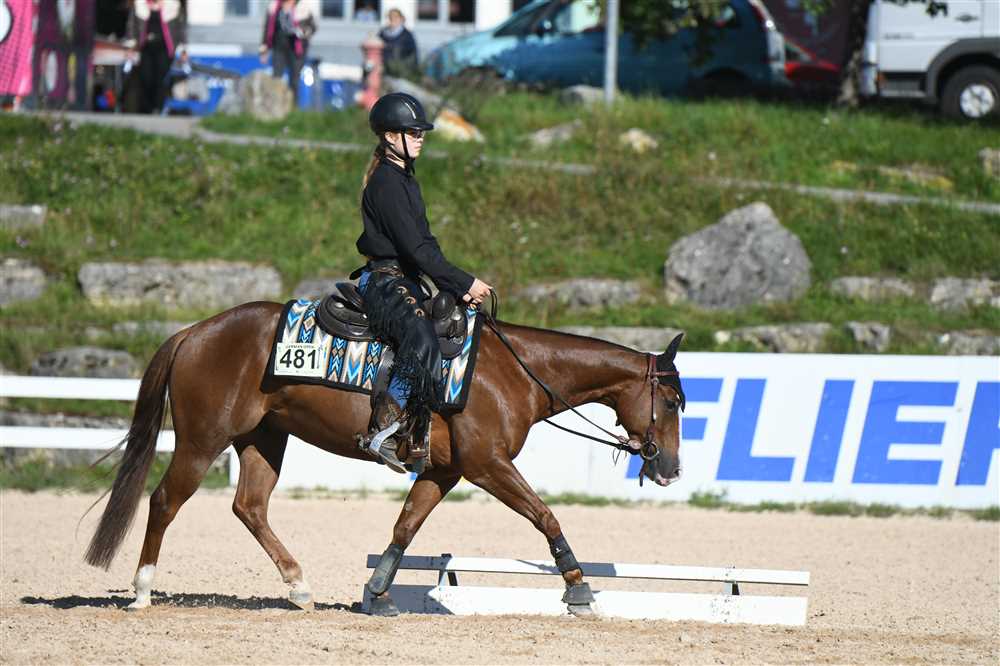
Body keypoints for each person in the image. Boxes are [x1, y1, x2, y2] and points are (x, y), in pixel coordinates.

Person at [355, 92, 492, 474]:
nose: (420, 138)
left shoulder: (405, 180)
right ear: (389, 136)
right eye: (413, 132)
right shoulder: (386, 182)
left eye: (421, 132)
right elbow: (414, 250)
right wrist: (465, 281)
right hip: (384, 281)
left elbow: (426, 244)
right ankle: (383, 430)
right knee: (421, 337)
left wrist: (457, 288)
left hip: (407, 280)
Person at [125, 0, 188, 114]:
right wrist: (130, 45)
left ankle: (159, 107)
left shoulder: (173, 5)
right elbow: (132, 25)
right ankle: (146, 109)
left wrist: (183, 49)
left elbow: (180, 28)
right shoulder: (140, 5)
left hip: (165, 48)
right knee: (146, 77)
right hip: (146, 48)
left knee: (161, 78)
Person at [259, 0, 317, 103]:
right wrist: (264, 49)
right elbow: (268, 28)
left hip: (296, 49)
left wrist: (303, 31)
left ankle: (292, 107)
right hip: (279, 47)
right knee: (276, 78)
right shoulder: (274, 7)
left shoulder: (303, 7)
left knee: (294, 80)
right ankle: (276, 105)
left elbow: (312, 27)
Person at [378, 8, 418, 78]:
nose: (392, 19)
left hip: (400, 71)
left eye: (395, 17)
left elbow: (412, 55)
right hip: (383, 69)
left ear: (401, 19)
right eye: (390, 17)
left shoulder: (407, 35)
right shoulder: (382, 33)